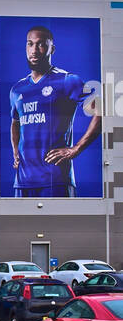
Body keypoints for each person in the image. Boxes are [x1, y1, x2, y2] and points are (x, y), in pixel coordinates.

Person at [9, 24, 100, 197]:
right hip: (23, 181)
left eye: (41, 44)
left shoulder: (67, 80)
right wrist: (15, 151)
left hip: (55, 179)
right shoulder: (17, 89)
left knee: (60, 225)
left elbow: (101, 109)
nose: (34, 50)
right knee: (21, 225)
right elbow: (15, 122)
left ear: (52, 49)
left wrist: (76, 149)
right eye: (30, 44)